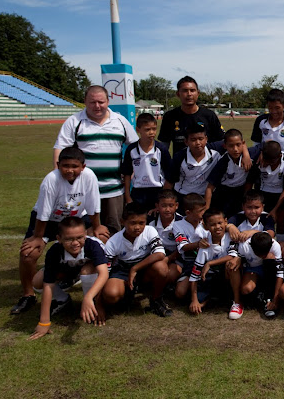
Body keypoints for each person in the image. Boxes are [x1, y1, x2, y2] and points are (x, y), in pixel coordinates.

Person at [12, 146, 109, 315]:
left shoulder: (89, 176)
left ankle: (91, 285)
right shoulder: (51, 180)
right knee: (29, 254)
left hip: (76, 218)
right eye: (65, 166)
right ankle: (28, 294)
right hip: (49, 220)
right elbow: (43, 212)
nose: (70, 170)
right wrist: (38, 237)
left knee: (102, 240)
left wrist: (97, 227)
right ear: (58, 165)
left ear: (83, 166)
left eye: (74, 166)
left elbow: (93, 206)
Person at [53, 85, 138, 235]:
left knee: (114, 232)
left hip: (114, 191)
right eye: (92, 102)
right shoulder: (74, 121)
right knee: (84, 233)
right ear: (85, 101)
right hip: (83, 191)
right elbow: (60, 148)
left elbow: (136, 147)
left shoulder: (120, 121)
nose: (97, 106)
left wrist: (133, 171)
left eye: (101, 102)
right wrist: (59, 176)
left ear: (108, 101)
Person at [28, 217, 109, 340]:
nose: (75, 243)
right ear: (59, 239)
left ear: (85, 234)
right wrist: (44, 322)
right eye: (69, 239)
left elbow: (103, 274)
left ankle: (92, 304)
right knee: (38, 281)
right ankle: (62, 300)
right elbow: (48, 285)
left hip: (90, 271)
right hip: (69, 271)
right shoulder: (54, 251)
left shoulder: (93, 245)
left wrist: (90, 299)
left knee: (87, 270)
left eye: (79, 237)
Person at [102, 202, 172, 317]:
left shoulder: (149, 230)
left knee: (161, 267)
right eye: (133, 223)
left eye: (141, 223)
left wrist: (135, 269)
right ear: (122, 222)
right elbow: (105, 271)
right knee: (111, 294)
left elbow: (160, 254)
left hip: (144, 267)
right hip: (123, 270)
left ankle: (156, 300)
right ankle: (127, 295)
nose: (137, 227)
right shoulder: (113, 242)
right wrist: (99, 304)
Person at [188, 209, 240, 318]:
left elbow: (232, 255)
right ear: (206, 226)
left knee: (232, 264)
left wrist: (209, 263)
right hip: (212, 278)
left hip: (227, 275)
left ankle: (237, 302)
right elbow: (195, 274)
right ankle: (215, 298)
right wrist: (194, 300)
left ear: (226, 222)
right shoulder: (205, 244)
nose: (217, 227)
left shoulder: (230, 236)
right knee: (198, 302)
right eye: (212, 225)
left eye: (220, 223)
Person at [158, 76, 224, 155]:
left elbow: (221, 142)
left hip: (207, 162)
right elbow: (164, 145)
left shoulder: (209, 115)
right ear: (178, 94)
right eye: (185, 91)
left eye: (192, 90)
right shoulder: (170, 116)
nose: (189, 94)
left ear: (198, 93)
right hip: (181, 162)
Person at [245, 140, 284, 242]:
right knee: (260, 218)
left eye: (272, 162)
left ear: (280, 156)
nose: (268, 163)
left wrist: (275, 209)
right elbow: (249, 181)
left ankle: (280, 243)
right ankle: (258, 242)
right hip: (262, 193)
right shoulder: (259, 160)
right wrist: (245, 200)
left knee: (281, 219)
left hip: (280, 195)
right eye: (266, 160)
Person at [122, 113, 172, 211]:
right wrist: (128, 197)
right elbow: (127, 174)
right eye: (147, 129)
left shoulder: (161, 149)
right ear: (138, 130)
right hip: (138, 192)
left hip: (158, 191)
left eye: (154, 129)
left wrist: (164, 198)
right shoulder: (131, 149)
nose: (151, 132)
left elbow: (169, 176)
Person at [165, 123, 221, 206]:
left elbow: (233, 141)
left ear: (206, 139)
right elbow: (169, 182)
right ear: (186, 142)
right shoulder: (179, 157)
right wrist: (165, 203)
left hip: (206, 196)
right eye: (193, 140)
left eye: (201, 139)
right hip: (184, 196)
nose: (198, 143)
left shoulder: (215, 153)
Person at [205, 128, 257, 217]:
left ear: (243, 144)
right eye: (231, 146)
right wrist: (206, 211)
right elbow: (210, 188)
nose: (235, 149)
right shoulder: (224, 162)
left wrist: (247, 154)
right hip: (223, 194)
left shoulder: (251, 155)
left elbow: (266, 144)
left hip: (241, 193)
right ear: (225, 146)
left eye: (238, 145)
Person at [233, 231, 284, 319]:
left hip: (269, 269)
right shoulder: (244, 246)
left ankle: (269, 299)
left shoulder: (275, 246)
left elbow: (280, 272)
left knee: (270, 257)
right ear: (251, 246)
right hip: (252, 270)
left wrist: (276, 299)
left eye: (265, 253)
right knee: (246, 289)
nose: (263, 256)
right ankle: (259, 296)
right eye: (259, 254)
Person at [172, 193, 209, 299]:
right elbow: (183, 246)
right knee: (180, 293)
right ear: (188, 212)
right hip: (190, 262)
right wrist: (198, 244)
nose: (204, 213)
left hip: (208, 261)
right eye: (200, 211)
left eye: (204, 209)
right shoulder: (178, 225)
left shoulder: (207, 222)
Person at [149, 189, 183, 285]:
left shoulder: (182, 222)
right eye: (163, 206)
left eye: (171, 206)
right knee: (157, 269)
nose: (167, 209)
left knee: (170, 275)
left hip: (175, 257)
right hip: (155, 255)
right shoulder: (151, 220)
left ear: (176, 206)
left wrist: (168, 259)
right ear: (157, 206)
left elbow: (183, 248)